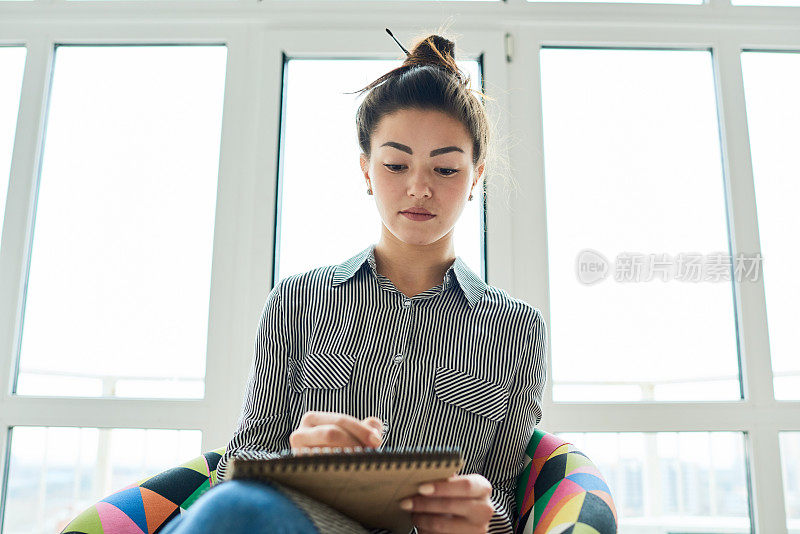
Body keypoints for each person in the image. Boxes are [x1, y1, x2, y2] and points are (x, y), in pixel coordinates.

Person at [160, 29, 547, 534]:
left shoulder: (517, 328)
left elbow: (508, 505)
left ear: (476, 178)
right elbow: (235, 469)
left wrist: (481, 519)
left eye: (446, 169)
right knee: (233, 510)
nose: (419, 187)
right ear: (366, 170)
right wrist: (294, 453)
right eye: (395, 164)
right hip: (286, 524)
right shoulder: (298, 300)